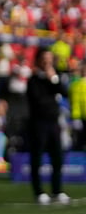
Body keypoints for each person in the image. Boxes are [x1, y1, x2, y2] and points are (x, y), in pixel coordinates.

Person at [26, 48, 69, 204]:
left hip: (54, 122)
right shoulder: (33, 80)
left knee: (57, 157)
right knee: (37, 157)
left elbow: (64, 92)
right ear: (38, 60)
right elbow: (37, 101)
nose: (47, 62)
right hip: (39, 123)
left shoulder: (54, 78)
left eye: (49, 58)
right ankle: (38, 191)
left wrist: (53, 79)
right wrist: (51, 98)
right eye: (44, 58)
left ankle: (57, 190)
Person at [71, 62, 86, 152]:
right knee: (81, 137)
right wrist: (76, 117)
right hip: (82, 116)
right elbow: (75, 102)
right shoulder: (76, 85)